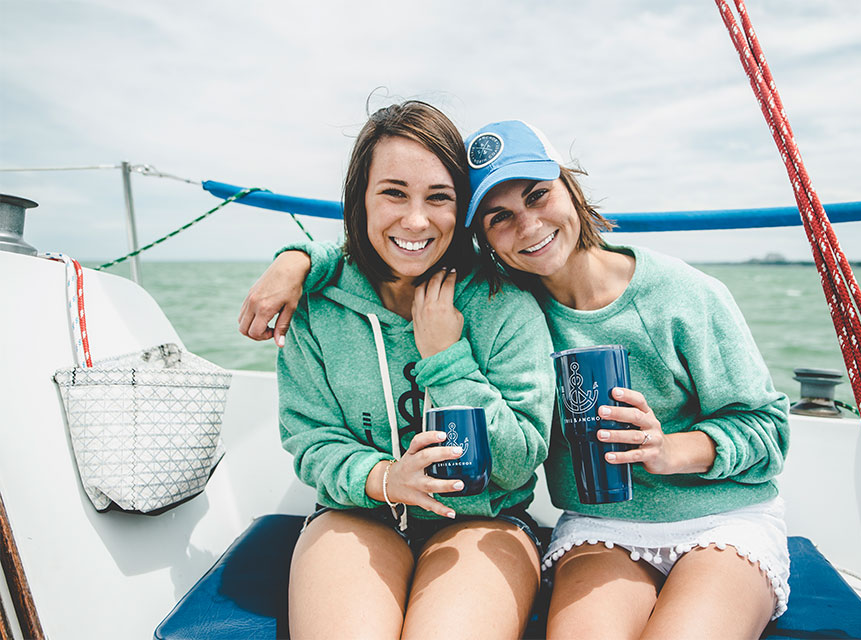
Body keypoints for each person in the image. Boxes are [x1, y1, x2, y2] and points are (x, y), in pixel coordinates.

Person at [242, 119, 790, 639]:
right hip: (594, 526)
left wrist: (669, 450)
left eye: (538, 195)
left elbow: (768, 428)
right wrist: (298, 259)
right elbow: (313, 435)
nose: (527, 226)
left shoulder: (524, 302)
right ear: (481, 235)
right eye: (499, 217)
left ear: (570, 188)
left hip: (707, 518)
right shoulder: (334, 301)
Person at [265, 103, 554, 639]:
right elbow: (311, 439)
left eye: (439, 197)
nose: (416, 220)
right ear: (361, 200)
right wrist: (383, 479)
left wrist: (446, 361)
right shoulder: (316, 305)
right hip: (357, 513)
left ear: (462, 209)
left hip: (482, 521)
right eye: (394, 193)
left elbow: (517, 463)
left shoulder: (503, 306)